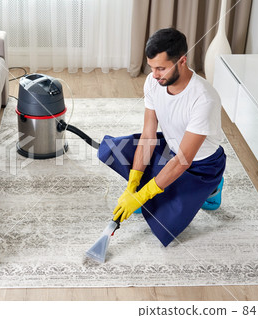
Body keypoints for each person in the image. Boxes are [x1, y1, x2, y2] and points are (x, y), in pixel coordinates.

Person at [97, 28, 226, 247]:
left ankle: (212, 188)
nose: (155, 75)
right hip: (170, 147)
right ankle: (147, 186)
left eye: (161, 68)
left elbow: (183, 161)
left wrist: (142, 196)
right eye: (152, 67)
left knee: (164, 225)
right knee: (112, 150)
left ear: (182, 61)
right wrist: (133, 184)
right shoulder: (153, 82)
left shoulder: (204, 99)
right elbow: (148, 136)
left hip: (200, 165)